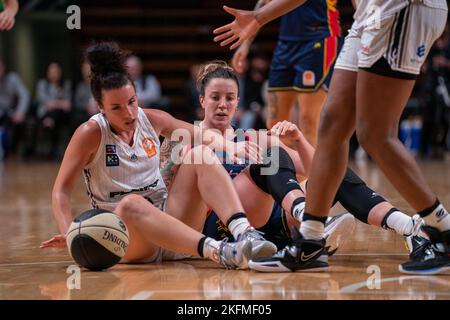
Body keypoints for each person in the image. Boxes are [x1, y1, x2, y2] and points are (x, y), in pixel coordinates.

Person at [213, 0, 450, 274]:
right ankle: (310, 242)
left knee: (374, 135)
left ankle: (441, 229)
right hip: (369, 14)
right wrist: (258, 17)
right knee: (332, 125)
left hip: (396, 7)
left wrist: (260, 17)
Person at [162, 61, 428, 272]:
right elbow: (171, 196)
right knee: (270, 159)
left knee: (333, 172)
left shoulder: (253, 136)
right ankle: (311, 222)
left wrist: (299, 140)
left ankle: (408, 226)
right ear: (201, 101)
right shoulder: (187, 139)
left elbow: (321, 172)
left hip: (276, 222)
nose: (222, 104)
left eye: (230, 98)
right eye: (215, 97)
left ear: (237, 101)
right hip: (222, 224)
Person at [40, 41, 278, 270]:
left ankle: (246, 235)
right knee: (132, 203)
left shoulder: (152, 119)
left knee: (201, 154)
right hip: (126, 237)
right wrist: (70, 232)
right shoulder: (90, 133)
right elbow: (60, 190)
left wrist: (231, 146)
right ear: (100, 107)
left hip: (174, 226)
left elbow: (200, 135)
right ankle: (221, 251)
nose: (129, 113)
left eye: (132, 101)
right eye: (116, 107)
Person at [228, 0, 341, 146]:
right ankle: (285, 167)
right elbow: (263, 3)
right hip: (285, 43)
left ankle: (311, 168)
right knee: (275, 123)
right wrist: (245, 45)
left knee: (309, 120)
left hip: (319, 37)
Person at [0, 58, 30, 159]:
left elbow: (25, 94)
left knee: (19, 124)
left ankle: (14, 151)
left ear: (3, 67)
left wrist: (20, 112)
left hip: (12, 112)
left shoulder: (13, 78)